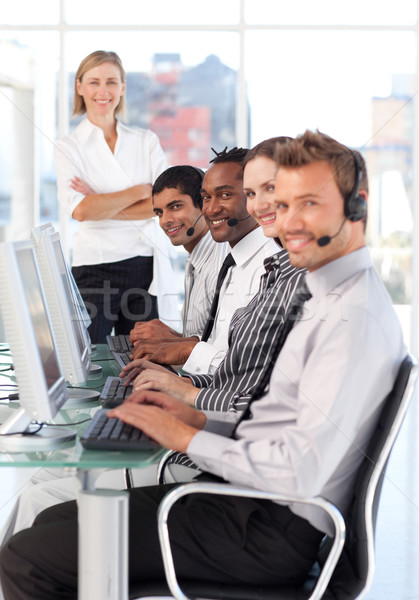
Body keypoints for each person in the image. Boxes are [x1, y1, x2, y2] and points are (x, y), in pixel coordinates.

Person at [0, 130, 406, 598]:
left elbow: (296, 472)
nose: (287, 222)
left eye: (309, 204)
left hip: (264, 525)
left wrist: (187, 435)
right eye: (282, 203)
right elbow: (275, 419)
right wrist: (192, 414)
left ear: (357, 203)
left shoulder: (347, 316)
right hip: (248, 500)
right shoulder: (328, 292)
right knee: (53, 519)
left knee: (28, 558)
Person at [54, 50, 177, 343]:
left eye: (111, 82)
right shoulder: (68, 147)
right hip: (94, 266)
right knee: (89, 355)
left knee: (143, 357)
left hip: (144, 264)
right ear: (80, 86)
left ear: (122, 87)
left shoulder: (145, 140)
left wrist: (101, 201)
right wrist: (140, 191)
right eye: (94, 82)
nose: (103, 90)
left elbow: (164, 203)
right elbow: (82, 212)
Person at [130, 147, 278, 371]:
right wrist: (174, 346)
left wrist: (184, 349)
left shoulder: (269, 265)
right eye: (207, 198)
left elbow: (251, 367)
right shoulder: (231, 262)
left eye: (225, 195)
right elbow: (222, 346)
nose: (211, 208)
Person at [129, 165, 228, 347]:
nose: (165, 220)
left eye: (175, 207)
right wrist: (168, 336)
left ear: (203, 204)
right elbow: (204, 338)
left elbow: (224, 352)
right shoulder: (194, 259)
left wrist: (170, 340)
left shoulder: (221, 262)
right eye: (159, 212)